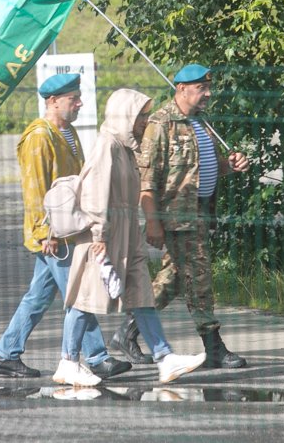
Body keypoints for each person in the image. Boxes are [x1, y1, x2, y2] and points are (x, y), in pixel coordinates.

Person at [53, 89, 207, 387]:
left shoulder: (126, 148)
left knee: (141, 294)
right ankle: (68, 361)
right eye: (141, 116)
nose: (145, 121)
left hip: (127, 233)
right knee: (88, 298)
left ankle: (165, 358)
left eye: (147, 115)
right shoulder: (106, 146)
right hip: (105, 235)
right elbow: (96, 193)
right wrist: (98, 234)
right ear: (126, 115)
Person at [0, 73, 131, 380]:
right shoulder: (40, 136)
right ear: (52, 102)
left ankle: (5, 354)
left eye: (78, 98)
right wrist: (44, 234)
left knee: (39, 297)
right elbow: (35, 188)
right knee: (79, 293)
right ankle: (96, 357)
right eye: (72, 99)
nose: (79, 104)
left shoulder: (67, 132)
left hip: (67, 229)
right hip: (54, 235)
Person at [109, 64, 250, 369]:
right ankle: (214, 347)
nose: (208, 94)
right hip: (176, 218)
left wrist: (231, 164)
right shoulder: (161, 124)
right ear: (182, 88)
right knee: (199, 279)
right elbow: (147, 180)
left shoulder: (201, 122)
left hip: (199, 215)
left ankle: (127, 331)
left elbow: (208, 167)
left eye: (208, 87)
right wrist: (154, 222)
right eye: (201, 88)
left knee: (172, 280)